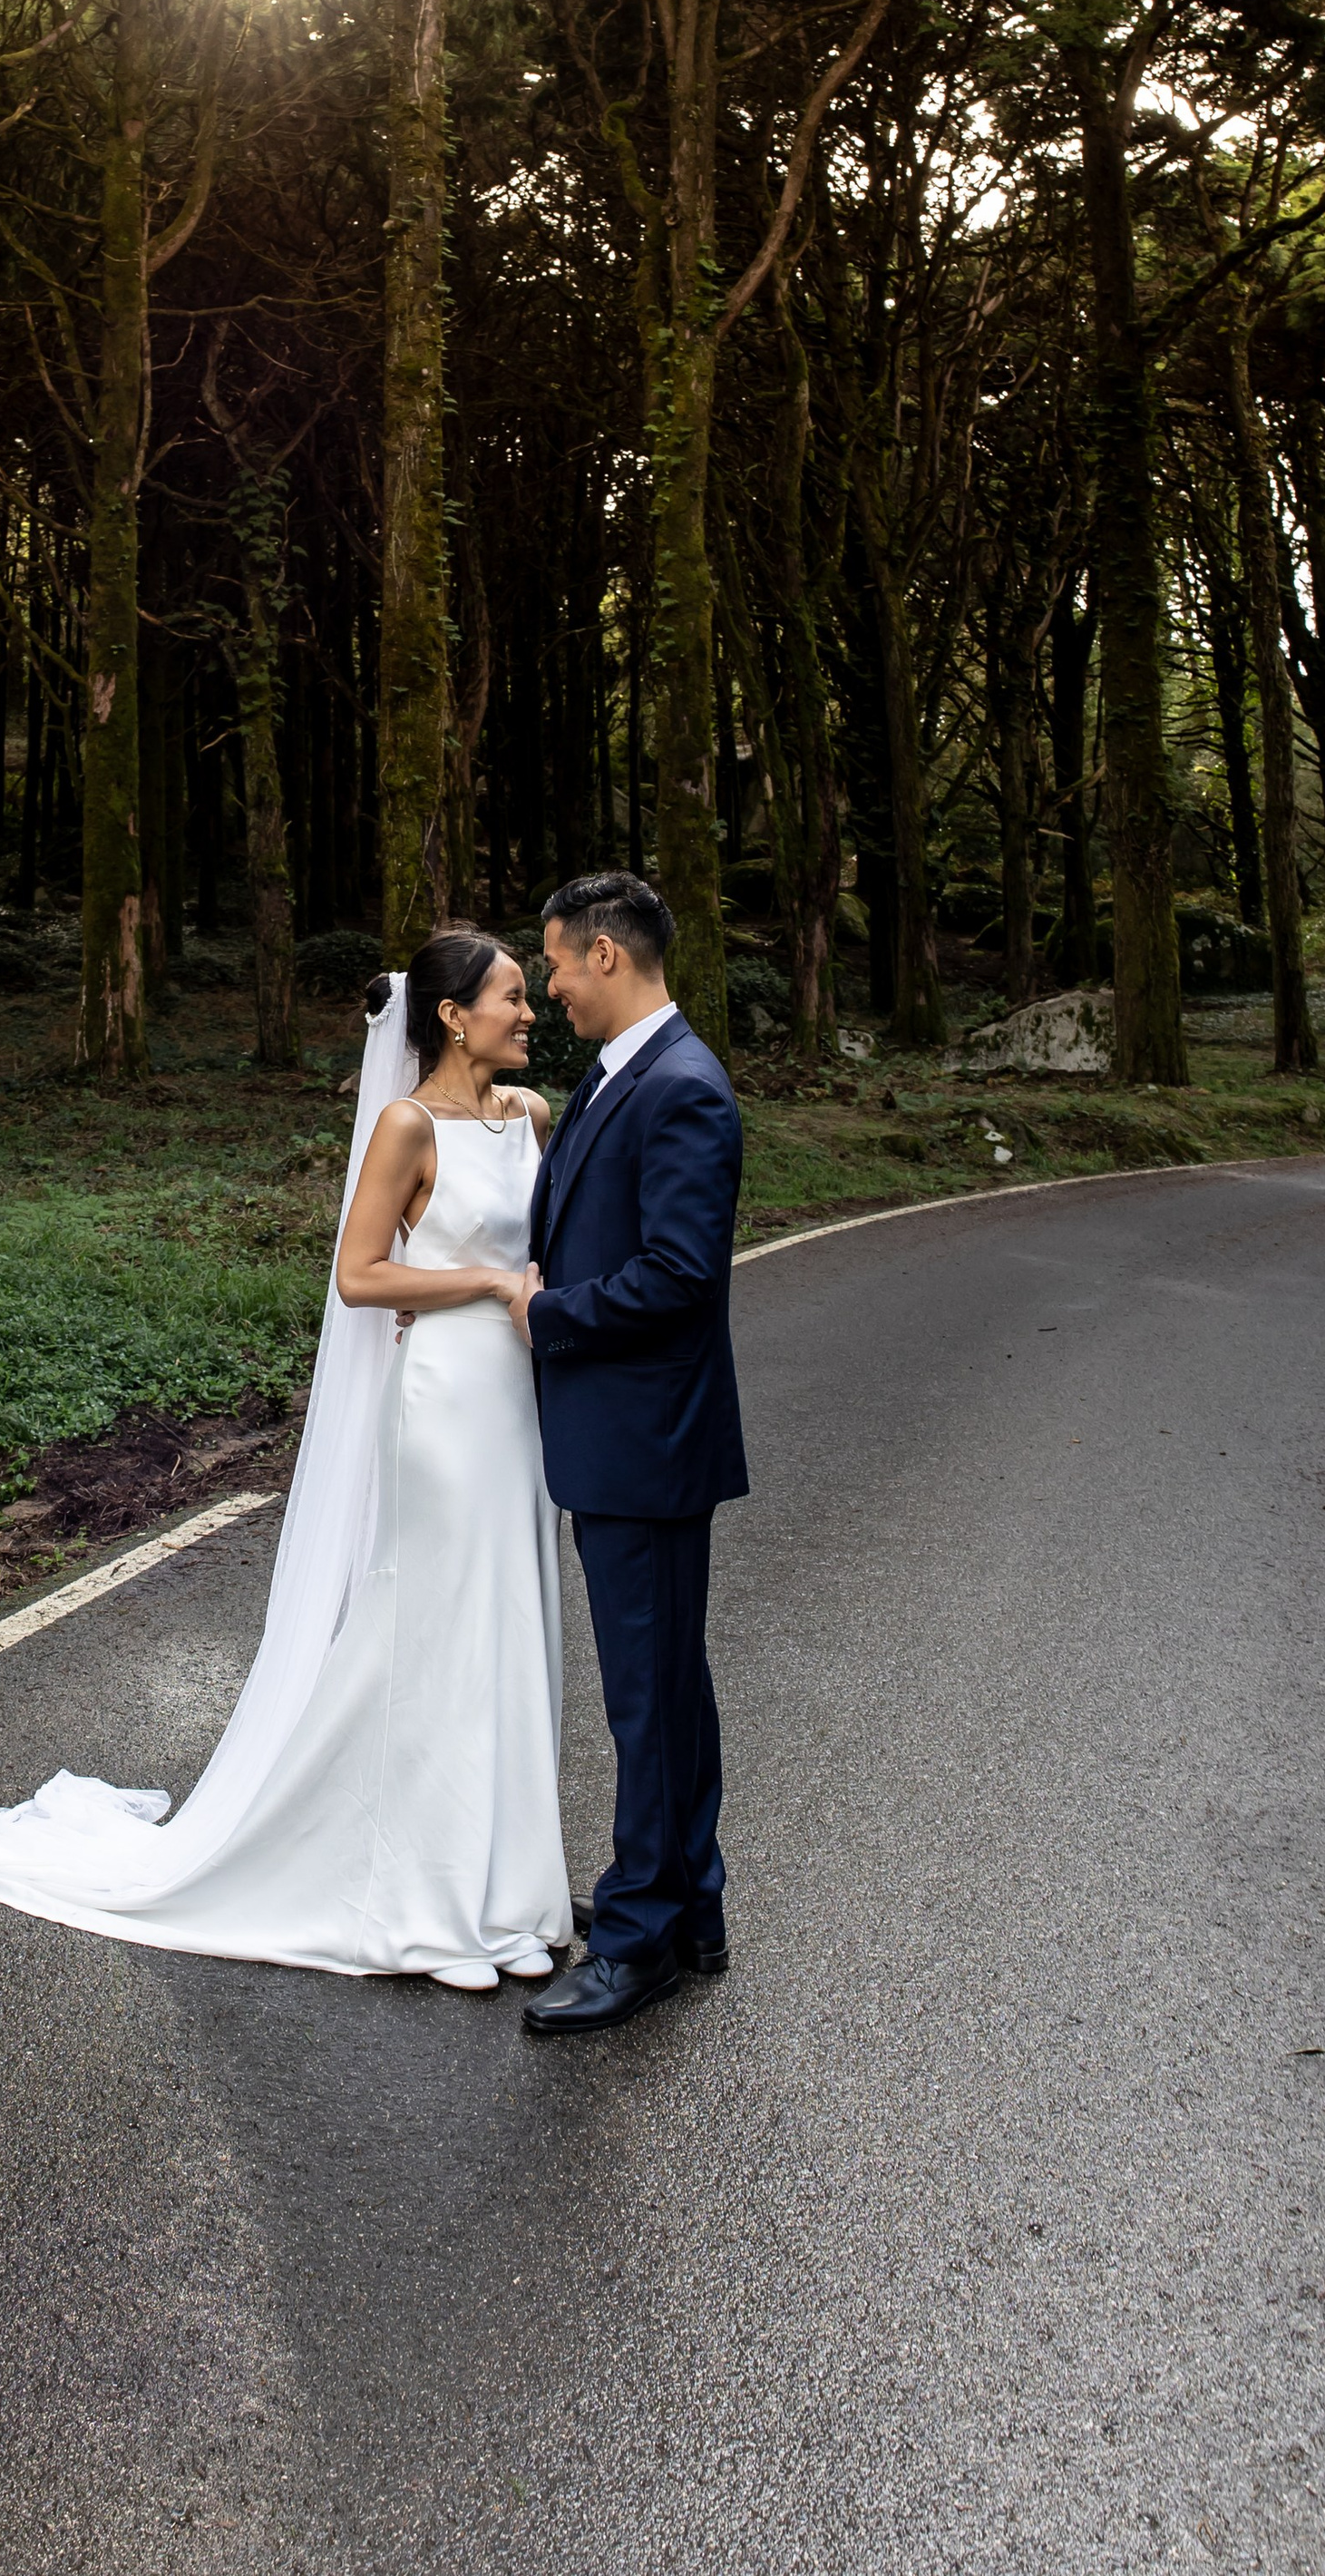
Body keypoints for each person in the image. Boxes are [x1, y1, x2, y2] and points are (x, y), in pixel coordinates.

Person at [0, 928, 574, 1988]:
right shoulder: (404, 1126)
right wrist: (479, 1284)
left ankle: (507, 1895)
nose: (530, 1014)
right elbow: (359, 1278)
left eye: (528, 996)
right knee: (434, 1632)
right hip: (441, 1407)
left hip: (517, 1403)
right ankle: (423, 1904)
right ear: (450, 1014)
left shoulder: (532, 1117)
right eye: (513, 997)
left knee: (508, 1624)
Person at [508, 871, 747, 2035]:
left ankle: (639, 1932)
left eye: (554, 964)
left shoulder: (683, 1087)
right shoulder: (619, 1078)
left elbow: (680, 1273)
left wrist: (551, 1315)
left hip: (646, 1440)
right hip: (627, 1439)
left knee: (646, 1700)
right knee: (667, 1689)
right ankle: (691, 1903)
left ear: (607, 954)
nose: (548, 987)